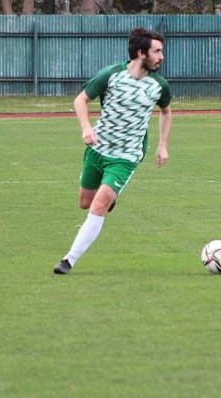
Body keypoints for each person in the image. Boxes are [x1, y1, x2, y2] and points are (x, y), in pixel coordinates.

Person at [54, 27, 172, 274]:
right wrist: (86, 127)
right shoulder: (111, 75)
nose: (161, 57)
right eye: (157, 51)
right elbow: (80, 100)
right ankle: (110, 198)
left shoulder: (159, 85)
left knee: (98, 206)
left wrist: (162, 145)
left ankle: (68, 260)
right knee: (85, 203)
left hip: (126, 157)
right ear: (141, 53)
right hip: (98, 150)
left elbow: (166, 111)